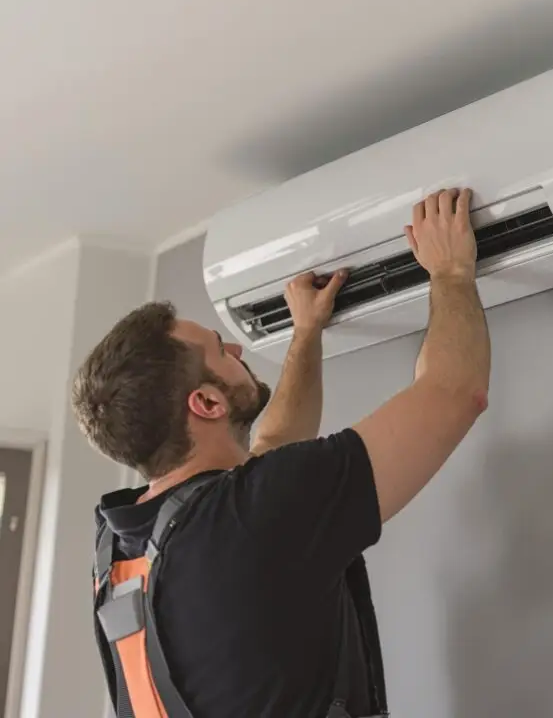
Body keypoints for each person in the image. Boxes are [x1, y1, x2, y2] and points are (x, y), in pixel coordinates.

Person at [73, 188, 491, 718]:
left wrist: (307, 333)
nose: (238, 348)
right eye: (220, 351)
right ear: (205, 402)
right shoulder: (253, 513)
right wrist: (452, 272)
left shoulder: (126, 544)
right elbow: (454, 392)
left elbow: (268, 456)